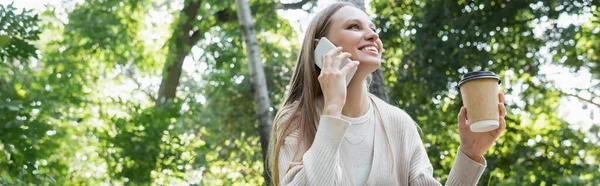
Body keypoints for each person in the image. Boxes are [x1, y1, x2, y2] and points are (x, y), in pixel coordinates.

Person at [267, 2, 507, 186]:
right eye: (354, 27)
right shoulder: (296, 121)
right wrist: (332, 109)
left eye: (374, 29)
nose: (374, 36)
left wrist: (471, 152)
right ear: (321, 48)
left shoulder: (398, 123)